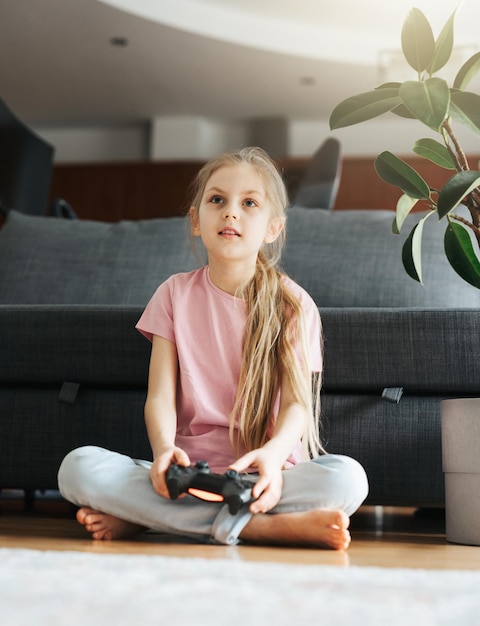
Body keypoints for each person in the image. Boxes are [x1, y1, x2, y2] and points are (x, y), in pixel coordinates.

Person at [58, 147, 368, 550]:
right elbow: (160, 399)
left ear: (273, 227)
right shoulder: (173, 294)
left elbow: (297, 407)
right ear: (195, 220)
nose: (230, 212)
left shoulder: (293, 304)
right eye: (217, 200)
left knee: (347, 478)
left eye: (249, 203)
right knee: (76, 468)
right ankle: (259, 528)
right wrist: (165, 451)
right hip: (189, 478)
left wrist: (272, 459)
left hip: (266, 479)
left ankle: (151, 520)